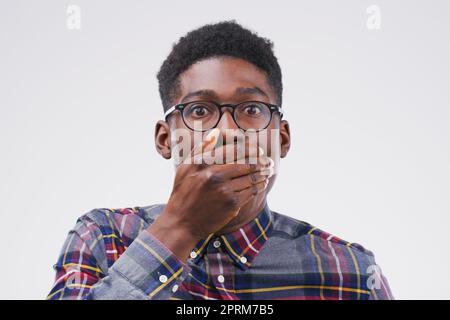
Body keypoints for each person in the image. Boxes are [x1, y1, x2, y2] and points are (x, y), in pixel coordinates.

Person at [47, 20, 393, 300]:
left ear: (282, 138)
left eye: (252, 109)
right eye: (199, 110)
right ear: (164, 139)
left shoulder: (349, 272)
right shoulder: (102, 238)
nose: (227, 131)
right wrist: (180, 227)